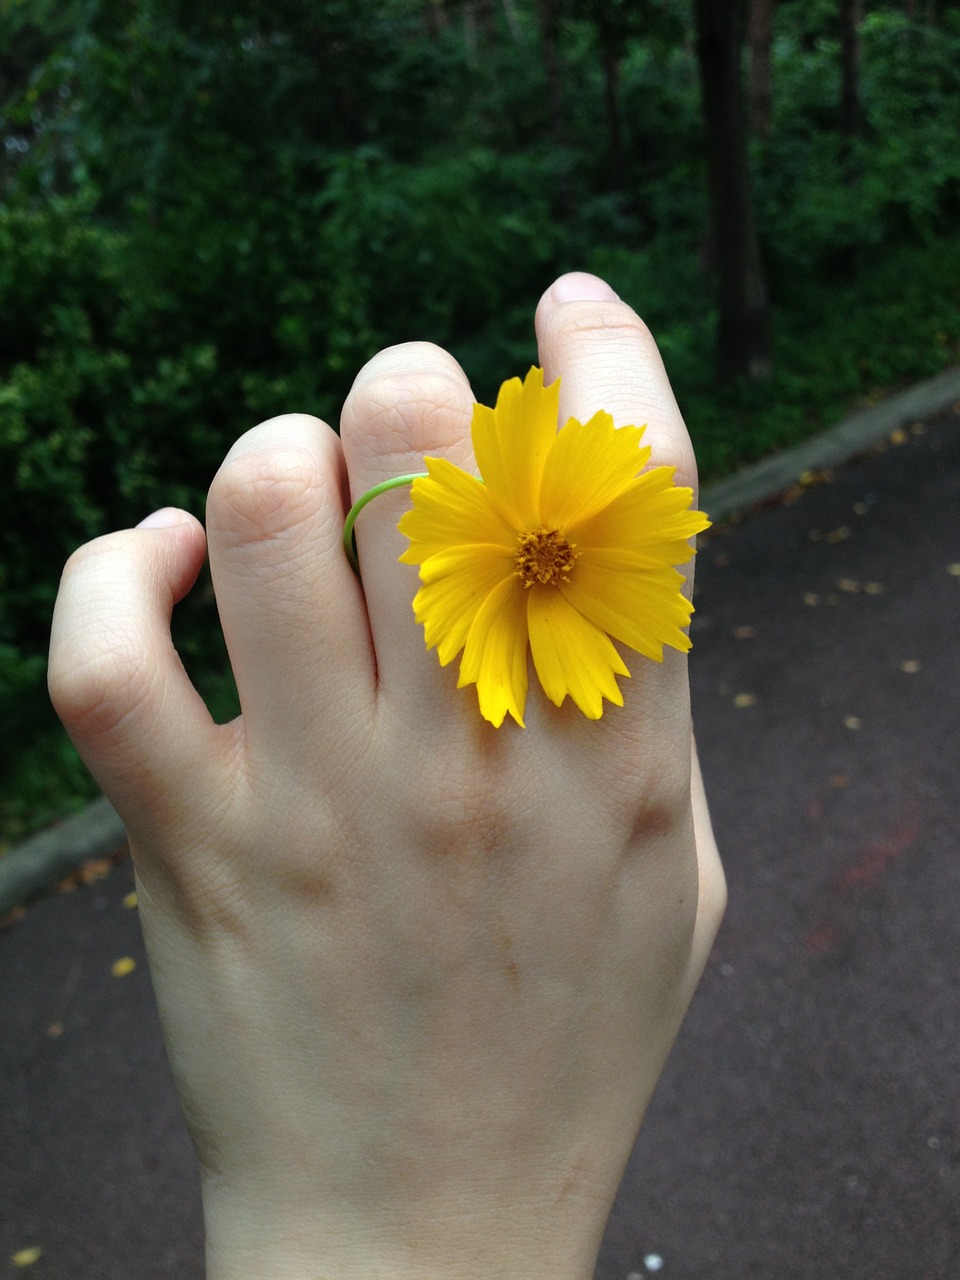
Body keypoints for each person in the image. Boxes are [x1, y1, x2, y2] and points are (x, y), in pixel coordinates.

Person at [48, 272, 725, 1279]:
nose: (547, 556)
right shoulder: (504, 566)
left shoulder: (570, 579)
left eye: (548, 553)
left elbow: (626, 607)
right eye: (542, 553)